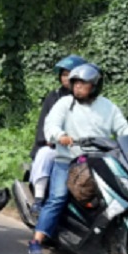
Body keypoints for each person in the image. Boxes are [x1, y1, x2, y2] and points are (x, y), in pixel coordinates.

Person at [29, 63, 128, 254]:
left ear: (95, 86)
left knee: (115, 194)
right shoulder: (65, 104)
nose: (78, 87)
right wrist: (60, 135)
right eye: (75, 83)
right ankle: (36, 241)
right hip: (69, 160)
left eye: (83, 84)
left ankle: (109, 235)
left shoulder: (107, 106)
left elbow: (123, 128)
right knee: (58, 198)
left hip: (101, 160)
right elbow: (51, 124)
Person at [27, 55, 87, 214]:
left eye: (69, 74)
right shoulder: (53, 97)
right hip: (56, 145)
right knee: (45, 155)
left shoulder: (88, 99)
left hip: (81, 147)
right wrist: (49, 139)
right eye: (63, 74)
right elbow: (44, 123)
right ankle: (39, 199)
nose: (66, 78)